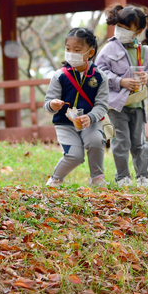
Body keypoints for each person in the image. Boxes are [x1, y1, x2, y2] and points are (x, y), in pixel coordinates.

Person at [96, 4, 148, 188]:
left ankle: (143, 177)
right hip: (116, 106)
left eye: (126, 28)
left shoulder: (145, 52)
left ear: (137, 31)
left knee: (140, 143)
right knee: (120, 142)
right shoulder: (108, 49)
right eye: (119, 26)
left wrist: (147, 76)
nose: (120, 31)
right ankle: (123, 177)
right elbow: (99, 72)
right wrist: (120, 81)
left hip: (137, 105)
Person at [44, 28, 109, 187]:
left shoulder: (100, 77)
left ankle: (97, 178)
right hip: (65, 124)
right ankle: (55, 179)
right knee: (75, 156)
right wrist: (53, 105)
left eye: (77, 50)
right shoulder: (60, 75)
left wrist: (91, 117)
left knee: (95, 141)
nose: (71, 53)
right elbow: (47, 104)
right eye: (68, 49)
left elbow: (102, 105)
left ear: (90, 52)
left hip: (90, 122)